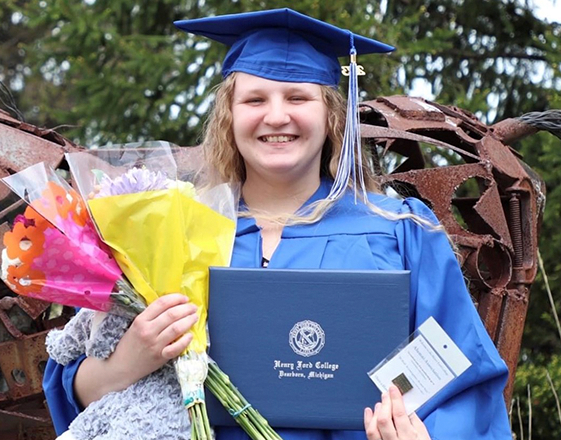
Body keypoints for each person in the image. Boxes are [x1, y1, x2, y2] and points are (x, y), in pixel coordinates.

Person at [43, 8, 512, 440]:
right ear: (229, 116)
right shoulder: (171, 229)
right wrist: (124, 365)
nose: (276, 116)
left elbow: (458, 367)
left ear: (332, 115)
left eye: (297, 97)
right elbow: (72, 383)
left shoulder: (400, 230)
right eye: (254, 100)